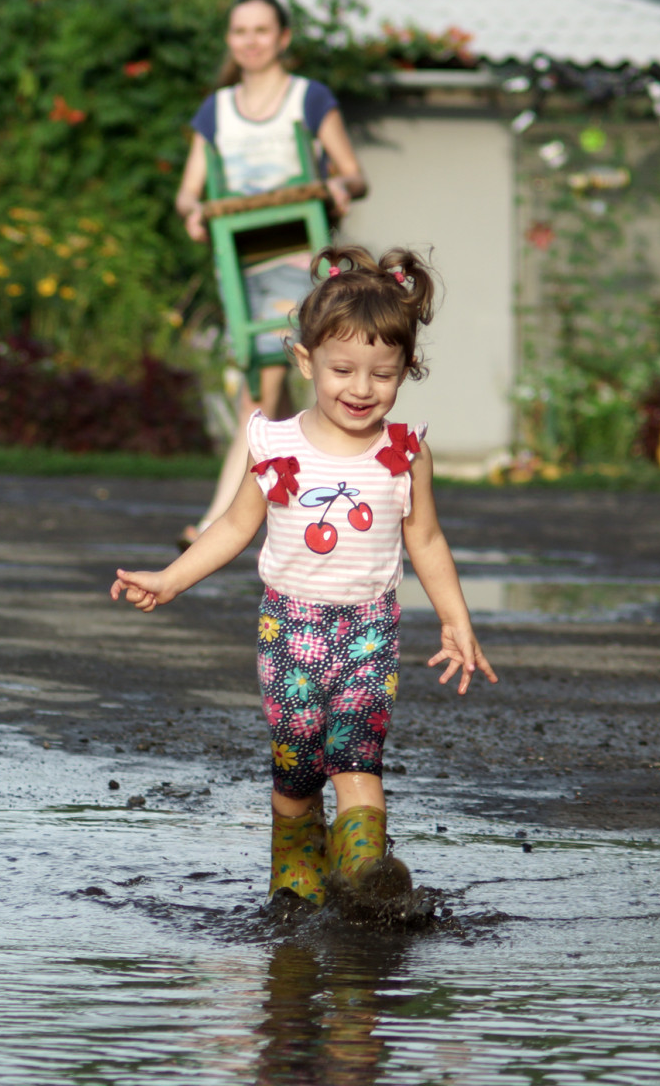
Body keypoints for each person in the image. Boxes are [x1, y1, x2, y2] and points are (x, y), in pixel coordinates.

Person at [111, 245, 496, 908]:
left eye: (382, 372)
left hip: (370, 629)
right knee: (296, 761)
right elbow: (233, 527)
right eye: (342, 368)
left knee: (356, 752)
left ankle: (364, 873)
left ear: (407, 369)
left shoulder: (405, 453)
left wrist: (457, 622)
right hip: (289, 625)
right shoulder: (275, 444)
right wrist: (171, 579)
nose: (361, 388)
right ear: (304, 360)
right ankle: (295, 871)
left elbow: (426, 539)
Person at [176, 0, 369, 547]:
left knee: (262, 387)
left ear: (283, 38)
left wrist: (337, 183)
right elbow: (189, 191)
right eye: (240, 32)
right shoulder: (216, 110)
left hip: (297, 261)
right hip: (240, 265)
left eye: (262, 31)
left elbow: (352, 171)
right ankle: (296, 506)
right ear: (229, 41)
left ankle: (218, 521)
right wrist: (192, 212)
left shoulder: (308, 98)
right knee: (273, 389)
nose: (250, 42)